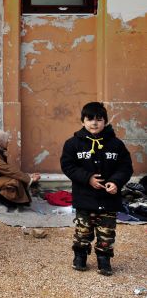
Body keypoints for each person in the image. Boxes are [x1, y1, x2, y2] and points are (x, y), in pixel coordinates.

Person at [60, 102, 133, 276]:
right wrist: (87, 178)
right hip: (85, 198)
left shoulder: (116, 144)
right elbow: (67, 165)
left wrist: (116, 182)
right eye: (90, 119)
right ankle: (80, 256)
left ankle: (104, 259)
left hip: (109, 200)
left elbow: (125, 167)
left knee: (106, 232)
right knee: (83, 231)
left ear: (105, 121)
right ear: (83, 121)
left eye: (99, 119)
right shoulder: (72, 144)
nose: (94, 123)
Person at [0, 129, 40, 206]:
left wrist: (29, 176)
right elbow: (8, 170)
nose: (7, 142)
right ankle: (1, 201)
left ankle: (3, 200)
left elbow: (7, 170)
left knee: (15, 179)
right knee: (13, 181)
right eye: (3, 139)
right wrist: (30, 179)